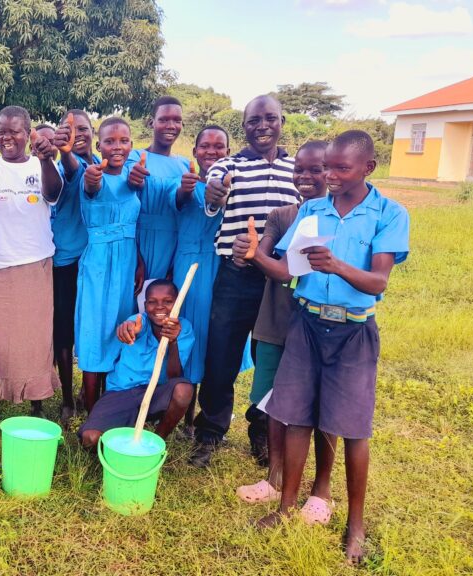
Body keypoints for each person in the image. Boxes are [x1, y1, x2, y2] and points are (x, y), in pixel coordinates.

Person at [252, 131, 409, 564]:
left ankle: (354, 525)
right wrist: (255, 255)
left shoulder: (388, 214)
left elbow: (378, 283)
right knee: (295, 416)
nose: (333, 176)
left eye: (343, 168)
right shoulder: (313, 210)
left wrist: (336, 265)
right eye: (329, 168)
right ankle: (286, 507)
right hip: (306, 324)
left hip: (353, 332)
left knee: (353, 429)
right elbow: (286, 271)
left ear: (368, 168)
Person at [191, 95, 299, 468]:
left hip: (280, 279)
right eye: (254, 120)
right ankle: (210, 431)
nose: (263, 126)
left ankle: (261, 428)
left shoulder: (296, 167)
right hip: (235, 274)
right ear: (244, 125)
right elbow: (213, 196)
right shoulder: (227, 164)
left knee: (270, 356)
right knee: (221, 353)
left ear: (282, 121)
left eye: (270, 118)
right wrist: (215, 193)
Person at [232, 141, 336, 517]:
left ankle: (320, 490)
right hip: (276, 321)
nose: (306, 178)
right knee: (272, 402)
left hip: (322, 326)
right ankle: (275, 479)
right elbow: (268, 254)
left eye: (316, 170)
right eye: (300, 171)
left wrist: (258, 255)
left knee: (326, 409)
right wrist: (253, 249)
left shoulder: (342, 221)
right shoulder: (281, 215)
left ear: (334, 170)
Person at [0, 105, 63, 427]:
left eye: (14, 131)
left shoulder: (43, 164)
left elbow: (54, 194)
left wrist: (49, 159)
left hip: (34, 260)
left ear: (28, 133)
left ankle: (37, 401)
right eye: (1, 132)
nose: (7, 137)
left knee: (36, 337)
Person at [74, 118, 146, 413]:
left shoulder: (134, 174)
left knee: (119, 327)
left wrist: (139, 259)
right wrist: (93, 179)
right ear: (98, 144)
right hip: (99, 263)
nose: (117, 147)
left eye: (124, 141)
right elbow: (92, 187)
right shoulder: (91, 174)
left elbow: (134, 223)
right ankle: (92, 412)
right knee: (94, 330)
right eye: (110, 141)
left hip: (128, 260)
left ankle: (110, 402)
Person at [78, 280, 195, 447]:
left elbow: (174, 376)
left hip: (156, 394)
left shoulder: (184, 328)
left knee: (183, 389)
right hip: (121, 392)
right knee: (91, 439)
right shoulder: (140, 320)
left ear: (177, 303)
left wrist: (172, 342)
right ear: (145, 305)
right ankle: (121, 433)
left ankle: (155, 444)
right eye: (153, 302)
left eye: (168, 301)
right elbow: (132, 326)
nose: (160, 307)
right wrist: (129, 328)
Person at [170, 126, 227, 436]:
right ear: (194, 151)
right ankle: (185, 414)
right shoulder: (186, 181)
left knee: (214, 339)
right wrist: (187, 189)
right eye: (205, 146)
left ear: (228, 153)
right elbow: (177, 202)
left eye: (219, 147)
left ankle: (209, 416)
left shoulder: (234, 184)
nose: (211, 152)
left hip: (220, 266)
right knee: (188, 334)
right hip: (187, 267)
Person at [49, 111, 92, 423]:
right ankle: (67, 397)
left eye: (83, 128)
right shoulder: (60, 167)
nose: (77, 134)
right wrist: (64, 154)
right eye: (68, 129)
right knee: (63, 332)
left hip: (94, 264)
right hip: (61, 263)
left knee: (94, 330)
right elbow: (72, 168)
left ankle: (93, 392)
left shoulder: (101, 166)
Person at [129, 96, 190, 282]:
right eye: (163, 119)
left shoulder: (185, 164)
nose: (171, 125)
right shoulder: (135, 156)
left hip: (174, 244)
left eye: (177, 120)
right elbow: (129, 194)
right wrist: (134, 180)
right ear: (151, 122)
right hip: (139, 240)